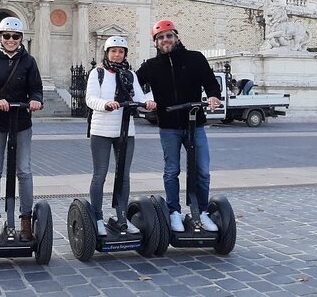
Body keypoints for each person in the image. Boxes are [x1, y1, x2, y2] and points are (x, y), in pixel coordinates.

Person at [136, 20, 221, 233]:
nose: (165, 40)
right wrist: (144, 102)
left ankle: (201, 211)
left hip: (195, 124)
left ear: (176, 37)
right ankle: (174, 212)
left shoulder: (195, 58)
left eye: (169, 36)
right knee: (171, 170)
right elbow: (132, 85)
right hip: (169, 126)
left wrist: (213, 96)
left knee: (202, 170)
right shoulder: (151, 66)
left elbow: (211, 82)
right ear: (155, 43)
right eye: (160, 38)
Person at [0, 17, 43, 242]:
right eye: (7, 36)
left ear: (21, 38)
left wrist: (35, 100)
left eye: (15, 36)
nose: (11, 40)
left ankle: (25, 220)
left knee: (24, 171)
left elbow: (36, 89)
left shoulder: (29, 61)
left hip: (21, 121)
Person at [85, 36, 155, 236]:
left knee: (123, 175)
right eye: (113, 51)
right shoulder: (97, 73)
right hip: (101, 130)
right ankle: (97, 217)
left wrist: (148, 103)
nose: (117, 54)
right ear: (107, 53)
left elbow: (139, 97)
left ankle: (122, 217)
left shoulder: (130, 74)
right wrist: (105, 105)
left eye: (121, 51)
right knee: (100, 175)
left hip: (125, 130)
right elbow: (90, 98)